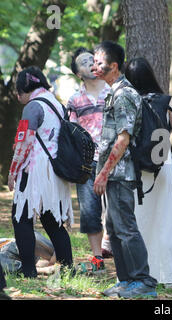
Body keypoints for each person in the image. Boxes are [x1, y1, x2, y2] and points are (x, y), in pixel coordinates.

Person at [92, 41, 157, 298]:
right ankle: (126, 280)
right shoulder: (113, 92)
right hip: (112, 173)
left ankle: (144, 282)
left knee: (127, 229)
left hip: (120, 173)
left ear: (114, 65)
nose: (94, 66)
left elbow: (123, 139)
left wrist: (104, 172)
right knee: (115, 229)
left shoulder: (124, 94)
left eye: (99, 62)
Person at [124, 57, 172, 288]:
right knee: (168, 220)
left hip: (136, 169)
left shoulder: (127, 101)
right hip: (164, 165)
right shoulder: (167, 102)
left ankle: (142, 274)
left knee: (139, 221)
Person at [8, 66, 74, 279]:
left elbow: (23, 144)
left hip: (34, 171)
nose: (18, 97)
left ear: (23, 89)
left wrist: (13, 172)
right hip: (56, 171)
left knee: (22, 219)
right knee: (53, 222)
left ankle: (28, 271)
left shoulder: (33, 106)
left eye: (18, 93)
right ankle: (68, 269)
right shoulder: (57, 104)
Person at [67, 47, 111, 273]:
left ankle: (118, 251)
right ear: (78, 73)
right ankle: (98, 260)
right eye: (84, 62)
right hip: (86, 163)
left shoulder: (114, 91)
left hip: (115, 159)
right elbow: (72, 132)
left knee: (117, 209)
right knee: (90, 212)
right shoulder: (74, 100)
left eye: (93, 60)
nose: (91, 64)